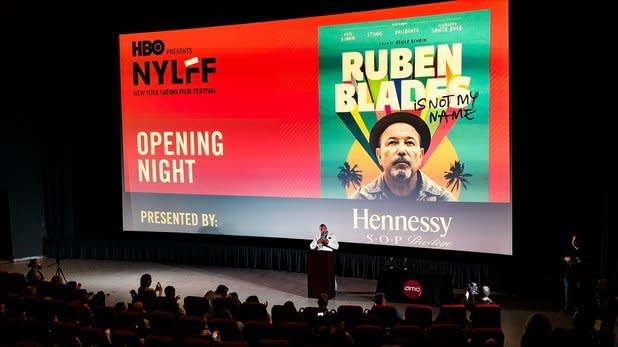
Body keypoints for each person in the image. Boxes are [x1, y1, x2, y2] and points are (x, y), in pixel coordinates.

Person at [350, 112, 455, 201]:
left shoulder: (444, 201)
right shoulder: (359, 201)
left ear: (420, 155)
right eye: (392, 142)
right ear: (379, 155)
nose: (401, 150)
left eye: (409, 142)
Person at [561, 233, 586, 312]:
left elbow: (581, 261)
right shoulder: (569, 250)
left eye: (576, 240)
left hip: (579, 276)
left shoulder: (582, 251)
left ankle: (580, 309)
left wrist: (572, 260)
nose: (574, 241)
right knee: (568, 292)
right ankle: (568, 308)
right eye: (573, 239)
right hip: (568, 275)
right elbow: (563, 258)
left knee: (579, 293)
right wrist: (565, 258)